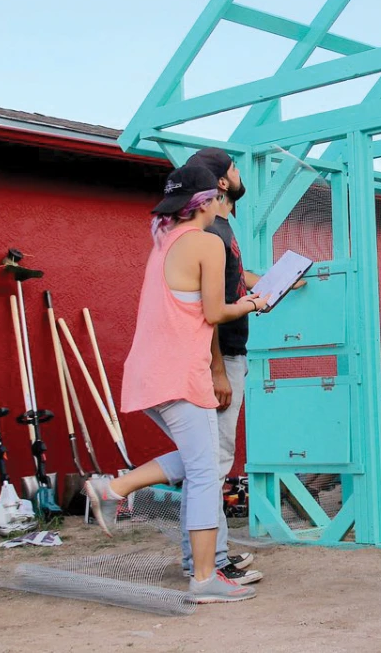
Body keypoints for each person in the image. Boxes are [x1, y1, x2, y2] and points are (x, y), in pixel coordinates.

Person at [81, 165, 265, 604]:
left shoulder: (164, 241)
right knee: (205, 472)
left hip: (149, 374)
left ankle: (113, 488)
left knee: (197, 458)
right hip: (181, 374)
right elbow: (215, 313)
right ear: (207, 201)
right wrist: (254, 303)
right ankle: (204, 577)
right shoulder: (206, 243)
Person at [182, 147, 262, 584]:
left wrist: (269, 281)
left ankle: (214, 555)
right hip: (222, 357)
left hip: (231, 355)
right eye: (233, 166)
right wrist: (215, 367)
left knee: (211, 462)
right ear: (221, 182)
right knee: (211, 463)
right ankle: (209, 562)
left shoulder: (222, 228)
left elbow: (233, 281)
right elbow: (206, 306)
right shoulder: (211, 229)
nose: (238, 171)